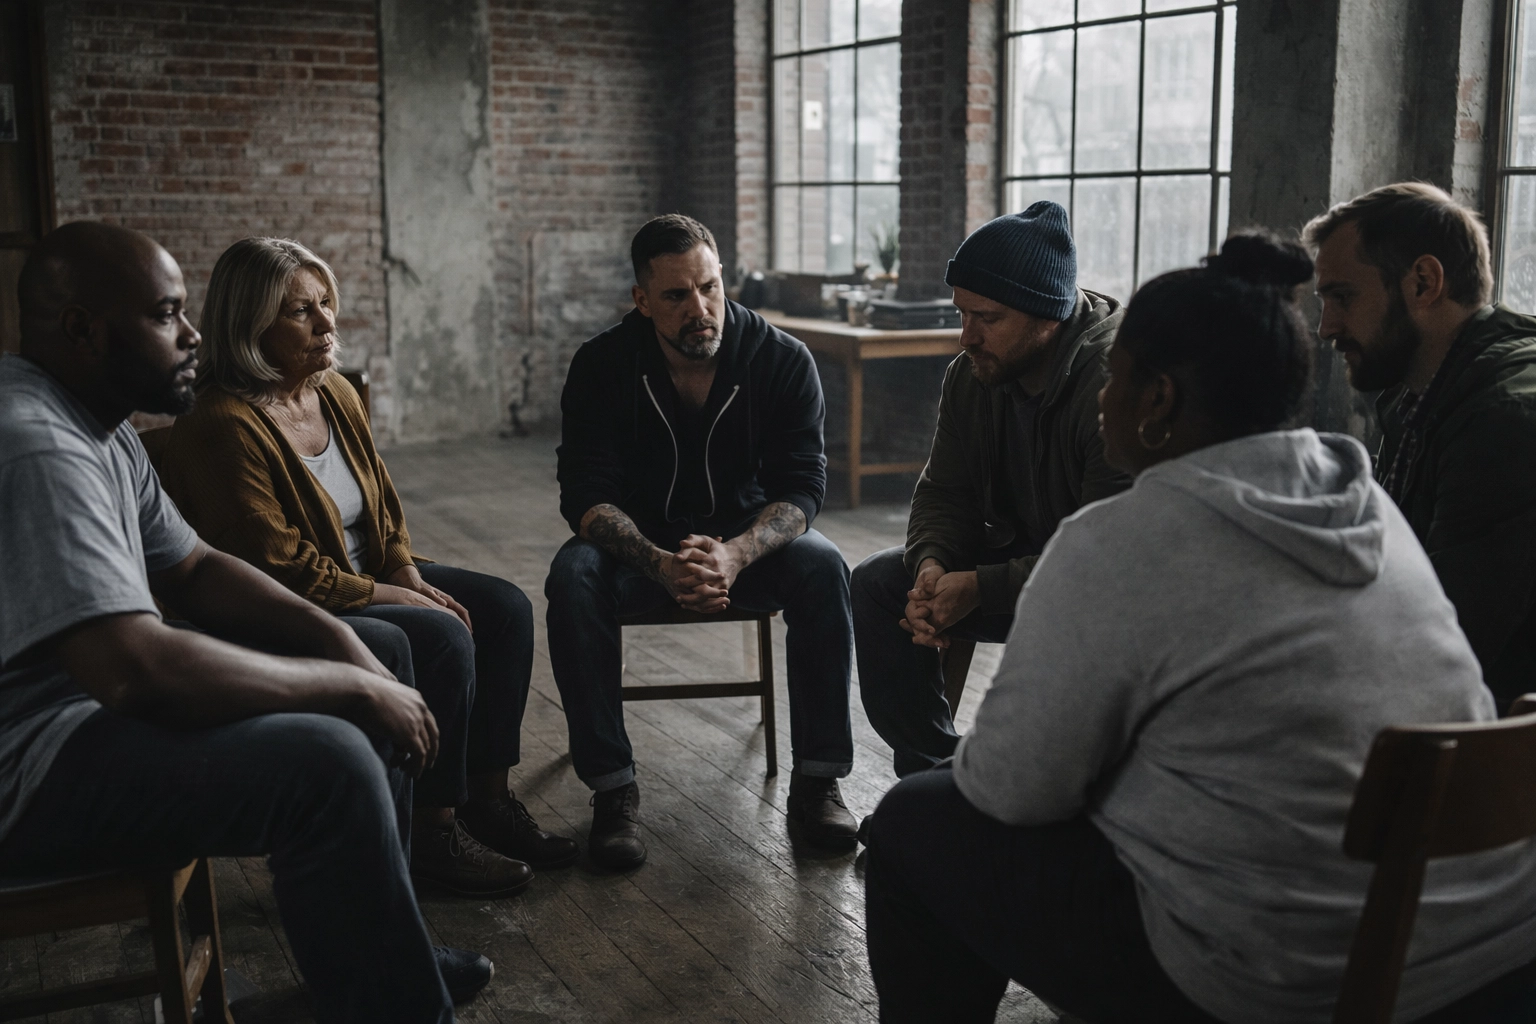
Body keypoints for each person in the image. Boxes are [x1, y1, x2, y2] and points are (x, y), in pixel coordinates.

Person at [863, 234, 1536, 1023]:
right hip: (1490, 954)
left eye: (1114, 379)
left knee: (914, 821)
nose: (1104, 398)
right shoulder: (1367, 504)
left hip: (1292, 982)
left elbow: (1007, 789)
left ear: (1158, 401)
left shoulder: (1119, 542)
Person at [0, 221, 494, 1022]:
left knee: (378, 657)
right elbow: (135, 670)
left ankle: (377, 962)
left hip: (80, 722)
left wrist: (341, 642)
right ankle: (392, 998)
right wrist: (347, 687)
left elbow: (192, 567)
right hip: (30, 765)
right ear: (83, 329)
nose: (191, 334)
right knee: (327, 759)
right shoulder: (39, 446)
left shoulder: (100, 424)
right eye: (166, 315)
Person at [155, 236, 575, 896]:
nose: (327, 324)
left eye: (326, 303)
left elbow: (382, 508)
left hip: (365, 577)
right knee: (441, 634)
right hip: (295, 600)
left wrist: (404, 571)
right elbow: (278, 567)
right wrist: (396, 598)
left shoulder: (336, 394)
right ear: (248, 324)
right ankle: (432, 833)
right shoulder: (223, 423)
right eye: (301, 312)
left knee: (505, 608)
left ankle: (486, 800)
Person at [546, 213, 857, 869]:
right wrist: (659, 563)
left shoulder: (780, 359)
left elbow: (803, 488)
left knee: (825, 566)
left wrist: (737, 552)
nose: (700, 310)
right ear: (640, 299)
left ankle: (819, 781)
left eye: (710, 288)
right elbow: (585, 495)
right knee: (573, 576)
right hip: (640, 550)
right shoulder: (602, 365)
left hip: (746, 543)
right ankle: (613, 791)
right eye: (677, 296)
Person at [851, 202, 1130, 778]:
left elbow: (1107, 561)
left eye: (988, 318)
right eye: (962, 314)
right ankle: (938, 780)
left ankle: (1001, 792)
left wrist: (980, 586)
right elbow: (945, 490)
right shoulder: (975, 375)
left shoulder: (1113, 387)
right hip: (1017, 568)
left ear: (1046, 314)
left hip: (1100, 596)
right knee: (881, 583)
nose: (966, 337)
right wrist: (933, 565)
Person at [1307, 182, 1536, 712]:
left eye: (1343, 297)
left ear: (1423, 282)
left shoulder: (1503, 422)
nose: (1325, 328)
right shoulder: (1418, 396)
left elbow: (1444, 641)